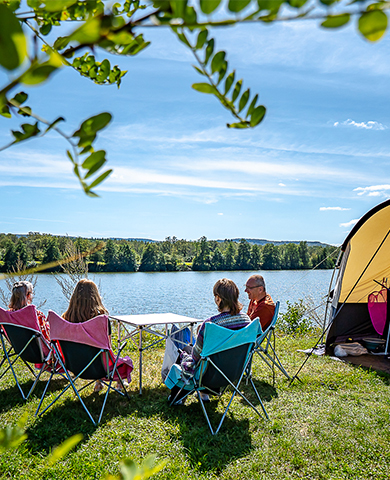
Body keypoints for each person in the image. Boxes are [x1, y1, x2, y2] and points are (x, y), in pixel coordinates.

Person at [169, 278, 251, 403]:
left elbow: (196, 357)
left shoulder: (210, 324)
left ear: (218, 298)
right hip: (233, 373)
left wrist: (199, 334)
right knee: (216, 355)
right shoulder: (247, 321)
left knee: (187, 350)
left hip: (209, 375)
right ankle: (204, 395)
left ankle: (177, 397)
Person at [63, 279, 133, 392]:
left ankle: (98, 383)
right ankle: (120, 383)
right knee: (122, 362)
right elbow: (108, 349)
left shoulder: (65, 320)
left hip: (74, 366)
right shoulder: (101, 321)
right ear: (95, 297)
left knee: (91, 354)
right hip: (98, 368)